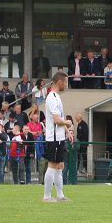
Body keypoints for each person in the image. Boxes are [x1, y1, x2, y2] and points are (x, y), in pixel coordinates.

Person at [42, 71, 74, 202]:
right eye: (65, 82)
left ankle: (60, 195)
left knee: (60, 165)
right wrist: (68, 122)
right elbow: (56, 120)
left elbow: (59, 118)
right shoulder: (52, 97)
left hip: (59, 137)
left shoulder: (56, 96)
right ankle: (47, 196)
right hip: (53, 138)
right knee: (52, 165)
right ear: (60, 82)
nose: (66, 85)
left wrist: (67, 131)